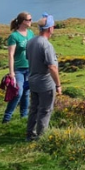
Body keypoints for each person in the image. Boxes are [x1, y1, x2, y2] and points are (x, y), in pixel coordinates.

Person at [25, 13, 61, 142]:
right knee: (45, 110)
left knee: (34, 108)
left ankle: (30, 134)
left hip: (33, 81)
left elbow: (28, 59)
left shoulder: (31, 41)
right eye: (53, 27)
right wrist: (58, 85)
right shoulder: (46, 45)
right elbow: (52, 67)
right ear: (50, 28)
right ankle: (41, 138)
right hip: (45, 83)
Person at [3, 12, 34, 124]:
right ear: (22, 21)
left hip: (29, 68)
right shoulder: (14, 36)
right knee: (18, 92)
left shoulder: (31, 33)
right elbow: (11, 55)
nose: (31, 21)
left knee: (26, 93)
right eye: (29, 19)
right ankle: (7, 117)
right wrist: (11, 73)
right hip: (19, 69)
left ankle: (24, 117)